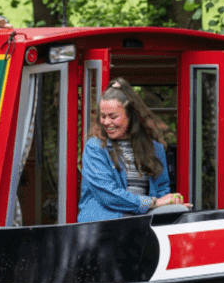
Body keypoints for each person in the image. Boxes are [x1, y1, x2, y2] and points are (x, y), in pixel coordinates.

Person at [78, 78, 187, 222]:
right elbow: (108, 196)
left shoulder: (155, 147)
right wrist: (153, 203)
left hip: (142, 218)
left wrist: (171, 201)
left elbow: (162, 188)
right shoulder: (95, 147)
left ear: (131, 116)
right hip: (107, 221)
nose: (106, 122)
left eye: (113, 117)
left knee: (181, 211)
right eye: (102, 116)